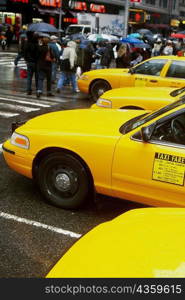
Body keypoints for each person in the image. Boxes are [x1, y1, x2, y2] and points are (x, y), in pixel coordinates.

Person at [36, 34, 55, 98]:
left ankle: (39, 91)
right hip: (48, 65)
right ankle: (49, 92)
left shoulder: (39, 48)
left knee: (40, 78)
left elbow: (37, 56)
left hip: (41, 65)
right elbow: (52, 56)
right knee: (49, 79)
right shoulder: (49, 48)